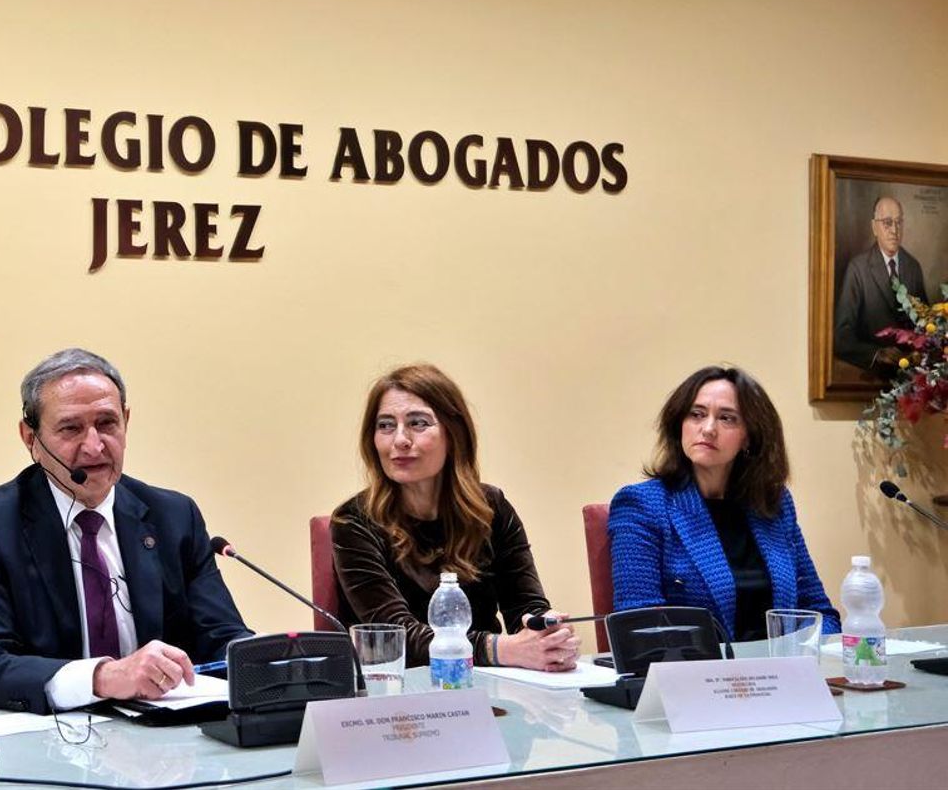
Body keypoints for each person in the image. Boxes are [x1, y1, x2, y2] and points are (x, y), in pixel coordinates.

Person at [0, 348, 251, 714]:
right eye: (71, 428)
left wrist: (264, 659)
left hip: (162, 745)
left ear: (126, 421)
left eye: (107, 423)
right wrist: (104, 676)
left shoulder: (173, 516)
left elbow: (220, 639)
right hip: (43, 737)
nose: (94, 446)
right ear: (31, 438)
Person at [330, 363, 581, 671]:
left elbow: (526, 608)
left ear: (454, 434)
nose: (399, 440)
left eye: (418, 423)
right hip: (398, 696)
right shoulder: (353, 521)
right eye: (385, 426)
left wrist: (547, 636)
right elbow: (396, 637)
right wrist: (501, 649)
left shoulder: (493, 507)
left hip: (490, 688)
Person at [609, 365, 839, 641]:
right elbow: (639, 628)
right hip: (695, 676)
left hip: (779, 675)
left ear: (749, 437)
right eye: (696, 415)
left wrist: (798, 657)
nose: (707, 429)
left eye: (727, 418)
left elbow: (820, 613)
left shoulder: (774, 504)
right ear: (679, 424)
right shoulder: (643, 505)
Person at [834, 195, 928, 376]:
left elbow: (924, 327)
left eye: (899, 222)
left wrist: (920, 350)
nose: (894, 230)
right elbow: (841, 337)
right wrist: (876, 354)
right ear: (874, 227)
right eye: (887, 222)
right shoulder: (858, 268)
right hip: (871, 376)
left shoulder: (913, 267)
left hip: (908, 378)